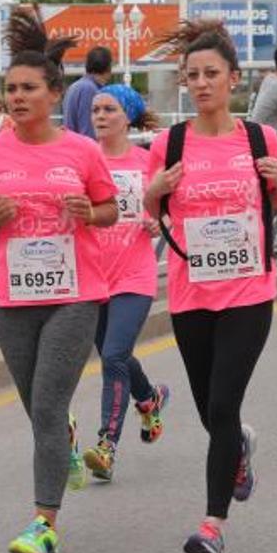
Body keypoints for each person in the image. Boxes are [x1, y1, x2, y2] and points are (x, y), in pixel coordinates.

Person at [0, 7, 119, 553]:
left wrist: (88, 211)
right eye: (9, 90)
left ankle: (44, 523)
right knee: (36, 405)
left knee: (48, 406)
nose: (16, 97)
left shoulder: (80, 150)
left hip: (75, 294)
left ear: (53, 93)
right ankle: (65, 450)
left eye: (28, 88)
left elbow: (110, 209)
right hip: (13, 298)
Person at [145, 20, 277, 553]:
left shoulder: (259, 138)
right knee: (213, 412)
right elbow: (150, 212)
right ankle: (239, 450)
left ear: (234, 79)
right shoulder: (170, 142)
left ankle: (213, 526)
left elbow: (276, 204)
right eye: (193, 76)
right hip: (191, 294)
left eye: (212, 74)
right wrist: (155, 190)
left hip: (249, 291)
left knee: (225, 403)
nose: (202, 83)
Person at [80, 84, 172, 481]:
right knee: (114, 354)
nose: (99, 116)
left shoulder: (146, 160)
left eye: (109, 110)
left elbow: (165, 210)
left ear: (128, 117)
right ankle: (149, 398)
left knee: (114, 355)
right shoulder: (83, 158)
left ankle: (106, 445)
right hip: (92, 273)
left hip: (134, 272)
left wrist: (157, 221)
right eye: (96, 110)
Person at [62, 46, 113, 139]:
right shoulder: (89, 89)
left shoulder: (75, 86)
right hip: (82, 150)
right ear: (108, 67)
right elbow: (88, 131)